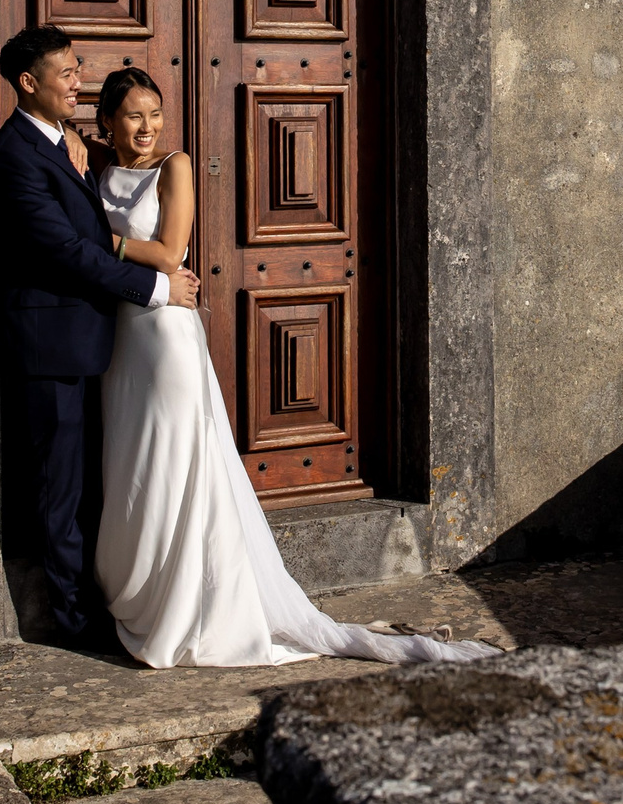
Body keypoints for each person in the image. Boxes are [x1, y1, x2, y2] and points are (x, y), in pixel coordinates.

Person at [84, 65, 500, 668]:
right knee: (133, 462)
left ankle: (188, 605)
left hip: (166, 337)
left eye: (155, 113)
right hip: (123, 337)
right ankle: (148, 591)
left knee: (176, 459)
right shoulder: (97, 170)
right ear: (107, 121)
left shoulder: (175, 165)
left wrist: (104, 243)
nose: (147, 126)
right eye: (133, 116)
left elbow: (171, 254)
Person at [0, 25, 200, 651]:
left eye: (78, 70)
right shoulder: (15, 155)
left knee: (99, 479)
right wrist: (157, 288)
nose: (77, 82)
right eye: (66, 74)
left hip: (100, 343)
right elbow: (64, 250)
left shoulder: (65, 143)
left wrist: (78, 138)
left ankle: (124, 596)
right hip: (53, 344)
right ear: (28, 83)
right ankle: (76, 623)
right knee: (62, 489)